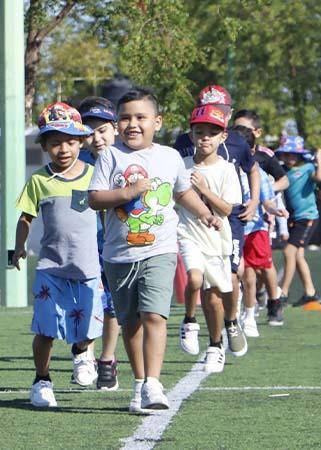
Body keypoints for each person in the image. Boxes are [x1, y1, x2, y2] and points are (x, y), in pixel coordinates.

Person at [88, 87, 222, 412]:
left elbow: (181, 193)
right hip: (119, 255)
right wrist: (128, 191)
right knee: (130, 322)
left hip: (160, 250)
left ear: (157, 122)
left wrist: (204, 212)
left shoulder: (169, 157)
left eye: (140, 117)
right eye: (125, 118)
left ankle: (154, 383)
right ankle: (139, 383)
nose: (132, 124)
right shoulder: (110, 156)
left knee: (154, 315)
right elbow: (94, 199)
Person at [11, 102, 104, 408]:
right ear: (45, 146)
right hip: (51, 267)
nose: (63, 149)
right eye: (54, 143)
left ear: (81, 142)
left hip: (88, 267)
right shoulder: (39, 181)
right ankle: (42, 380)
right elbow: (25, 217)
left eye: (69, 141)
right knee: (46, 328)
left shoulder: (95, 176)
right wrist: (19, 247)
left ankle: (82, 352)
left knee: (89, 325)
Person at [174, 85, 260, 356]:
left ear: (227, 117)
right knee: (200, 281)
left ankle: (232, 321)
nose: (205, 136)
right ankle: (201, 330)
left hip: (227, 223)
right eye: (200, 130)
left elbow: (253, 169)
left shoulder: (236, 142)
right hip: (192, 226)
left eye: (219, 113)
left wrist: (255, 201)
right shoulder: (184, 146)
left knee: (232, 278)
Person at [177, 105, 242, 372]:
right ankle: (190, 320)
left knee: (215, 297)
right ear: (191, 135)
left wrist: (204, 189)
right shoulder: (181, 166)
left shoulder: (226, 170)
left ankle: (216, 344)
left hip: (216, 238)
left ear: (222, 137)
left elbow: (228, 209)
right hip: (187, 232)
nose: (205, 137)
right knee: (194, 278)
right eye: (199, 132)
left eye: (211, 133)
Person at [77, 96, 121, 390]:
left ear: (115, 129)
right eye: (89, 132)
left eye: (102, 130)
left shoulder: (127, 160)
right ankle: (84, 354)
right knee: (87, 301)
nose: (96, 138)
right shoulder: (76, 164)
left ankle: (107, 359)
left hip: (118, 245)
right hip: (85, 247)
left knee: (114, 305)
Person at [232, 125, 289, 331]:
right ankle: (240, 313)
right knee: (239, 273)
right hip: (231, 229)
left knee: (256, 270)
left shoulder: (260, 175)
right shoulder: (223, 170)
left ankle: (256, 310)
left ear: (252, 152)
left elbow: (267, 201)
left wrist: (275, 211)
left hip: (255, 229)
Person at [276, 136, 321, 308]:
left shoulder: (307, 168)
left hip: (308, 217)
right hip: (294, 219)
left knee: (289, 252)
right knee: (297, 255)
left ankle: (283, 293)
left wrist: (319, 158)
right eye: (286, 154)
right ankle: (310, 292)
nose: (289, 158)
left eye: (293, 154)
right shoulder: (283, 171)